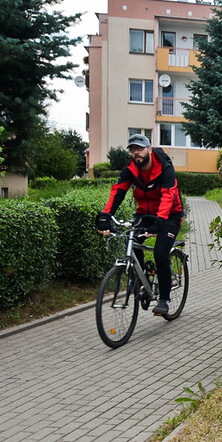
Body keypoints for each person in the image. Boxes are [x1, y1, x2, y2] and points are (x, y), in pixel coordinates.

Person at [96, 134, 184, 316]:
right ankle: (144, 277)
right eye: (132, 149)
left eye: (139, 148)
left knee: (160, 253)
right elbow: (117, 192)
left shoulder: (165, 167)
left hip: (170, 215)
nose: (136, 152)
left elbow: (168, 195)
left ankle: (164, 299)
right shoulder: (130, 169)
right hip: (145, 213)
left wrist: (160, 221)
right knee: (131, 239)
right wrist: (106, 217)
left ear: (149, 149)